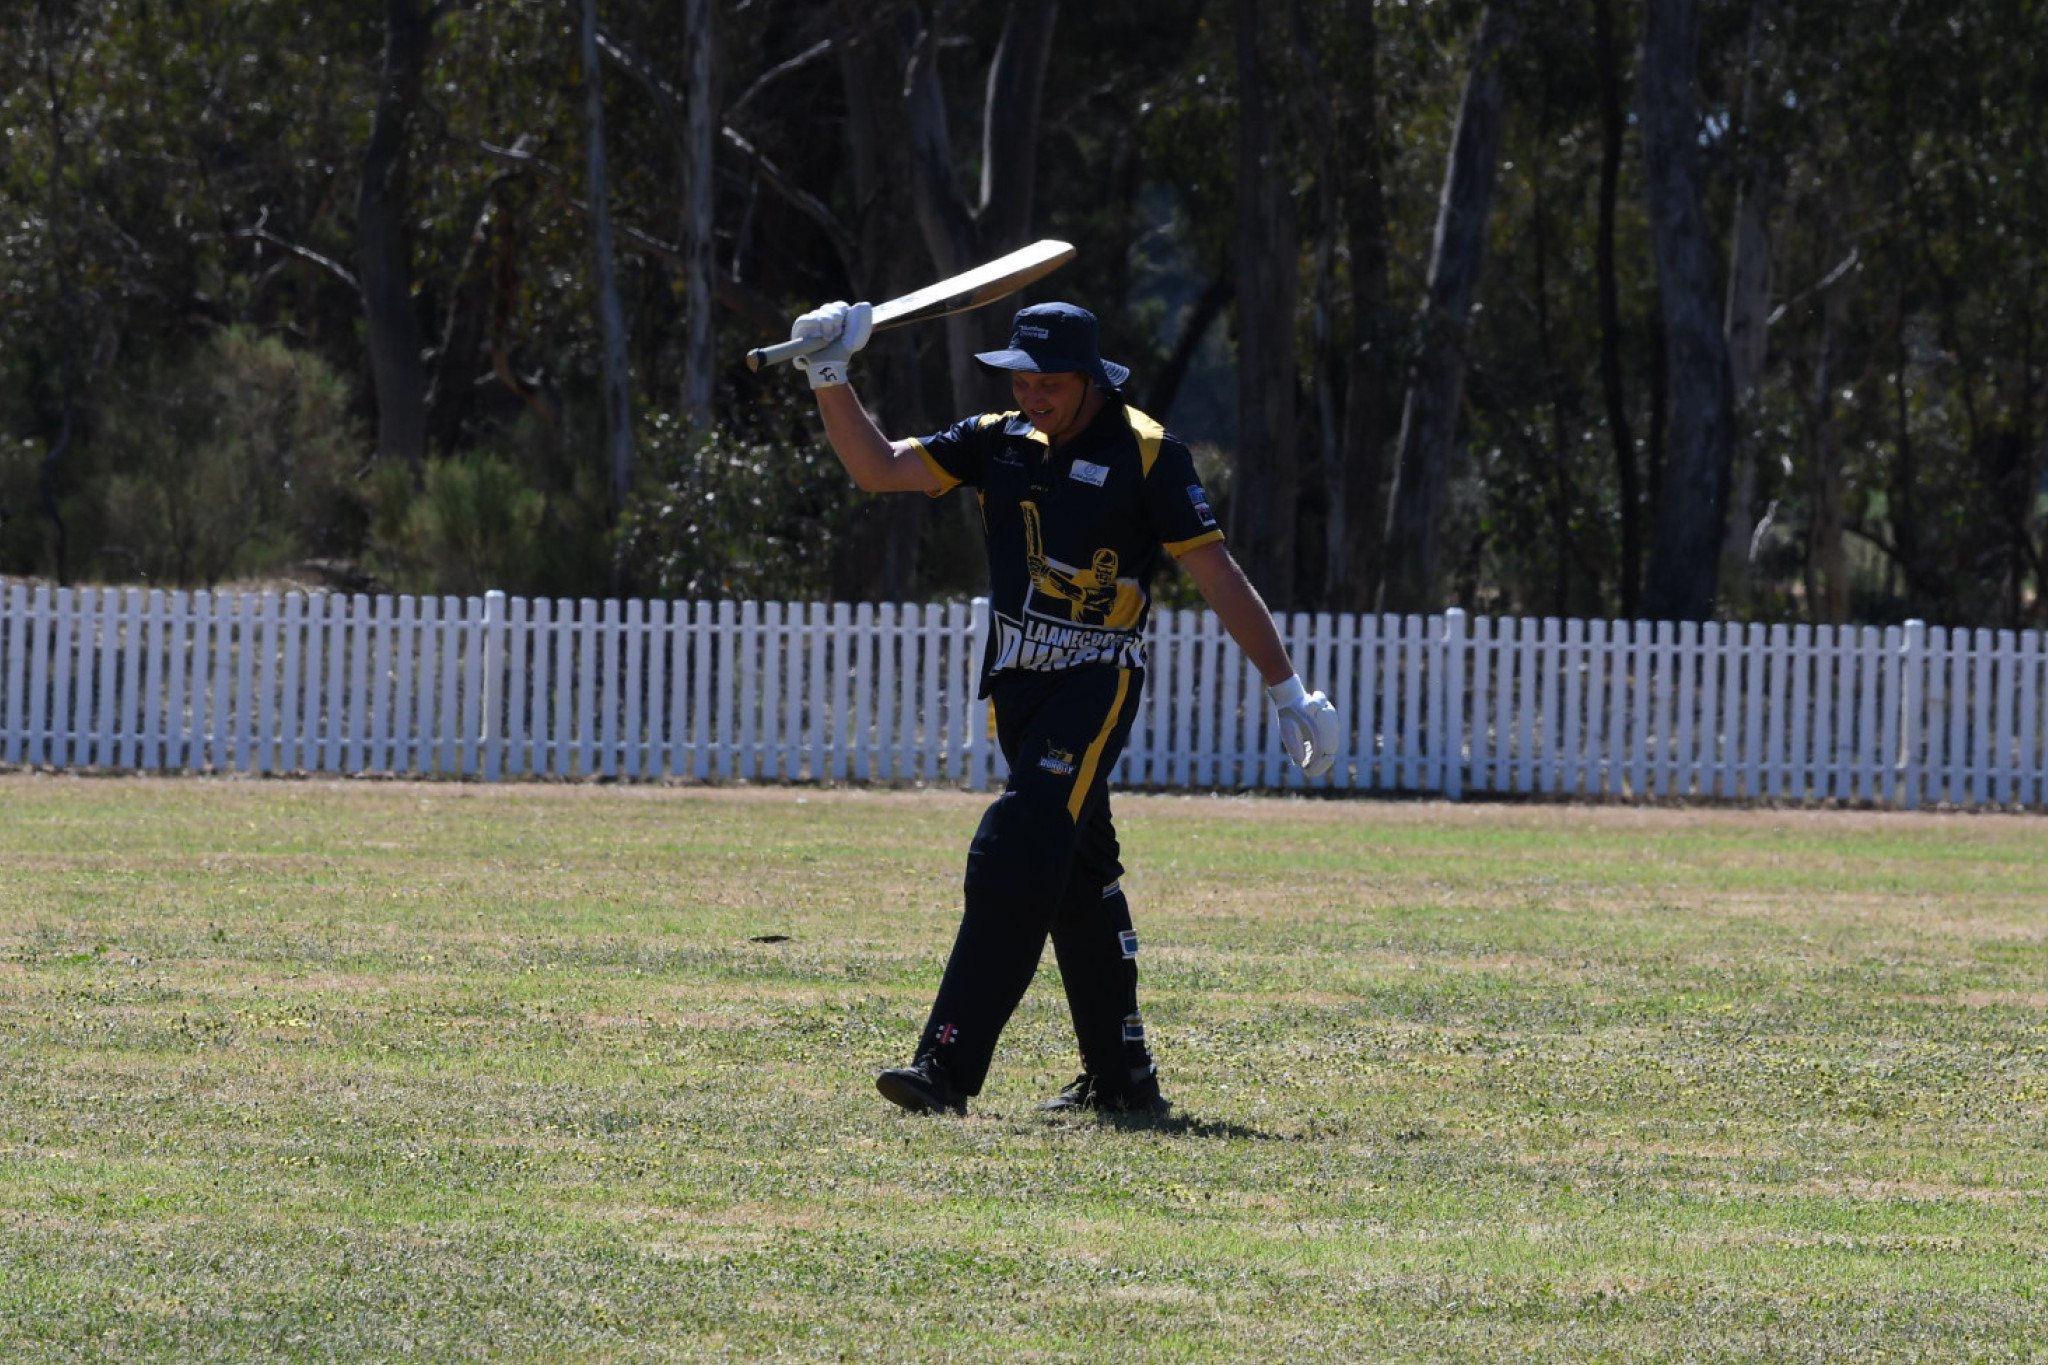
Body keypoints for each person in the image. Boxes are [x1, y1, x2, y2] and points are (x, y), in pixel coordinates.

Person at [787, 298, 1341, 1117]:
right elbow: (878, 468)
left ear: (1091, 378)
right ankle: (1122, 1078)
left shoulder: (1148, 451)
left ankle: (944, 1066)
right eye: (1021, 380)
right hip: (1017, 692)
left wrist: (1288, 689)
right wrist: (828, 372)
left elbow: (1216, 573)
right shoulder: (996, 439)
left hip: (1095, 684)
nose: (1032, 395)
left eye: (1049, 382)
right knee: (1077, 876)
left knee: (1013, 847)